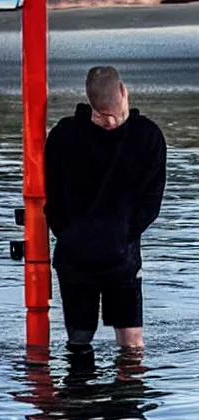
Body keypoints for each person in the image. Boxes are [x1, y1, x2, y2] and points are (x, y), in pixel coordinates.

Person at [44, 66, 166, 352]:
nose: (109, 122)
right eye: (102, 115)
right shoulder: (147, 136)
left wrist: (70, 233)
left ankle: (83, 392)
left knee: (86, 342)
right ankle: (117, 393)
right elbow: (151, 202)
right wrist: (122, 233)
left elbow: (53, 200)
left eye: (111, 115)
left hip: (83, 254)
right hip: (111, 256)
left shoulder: (63, 135)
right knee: (125, 345)